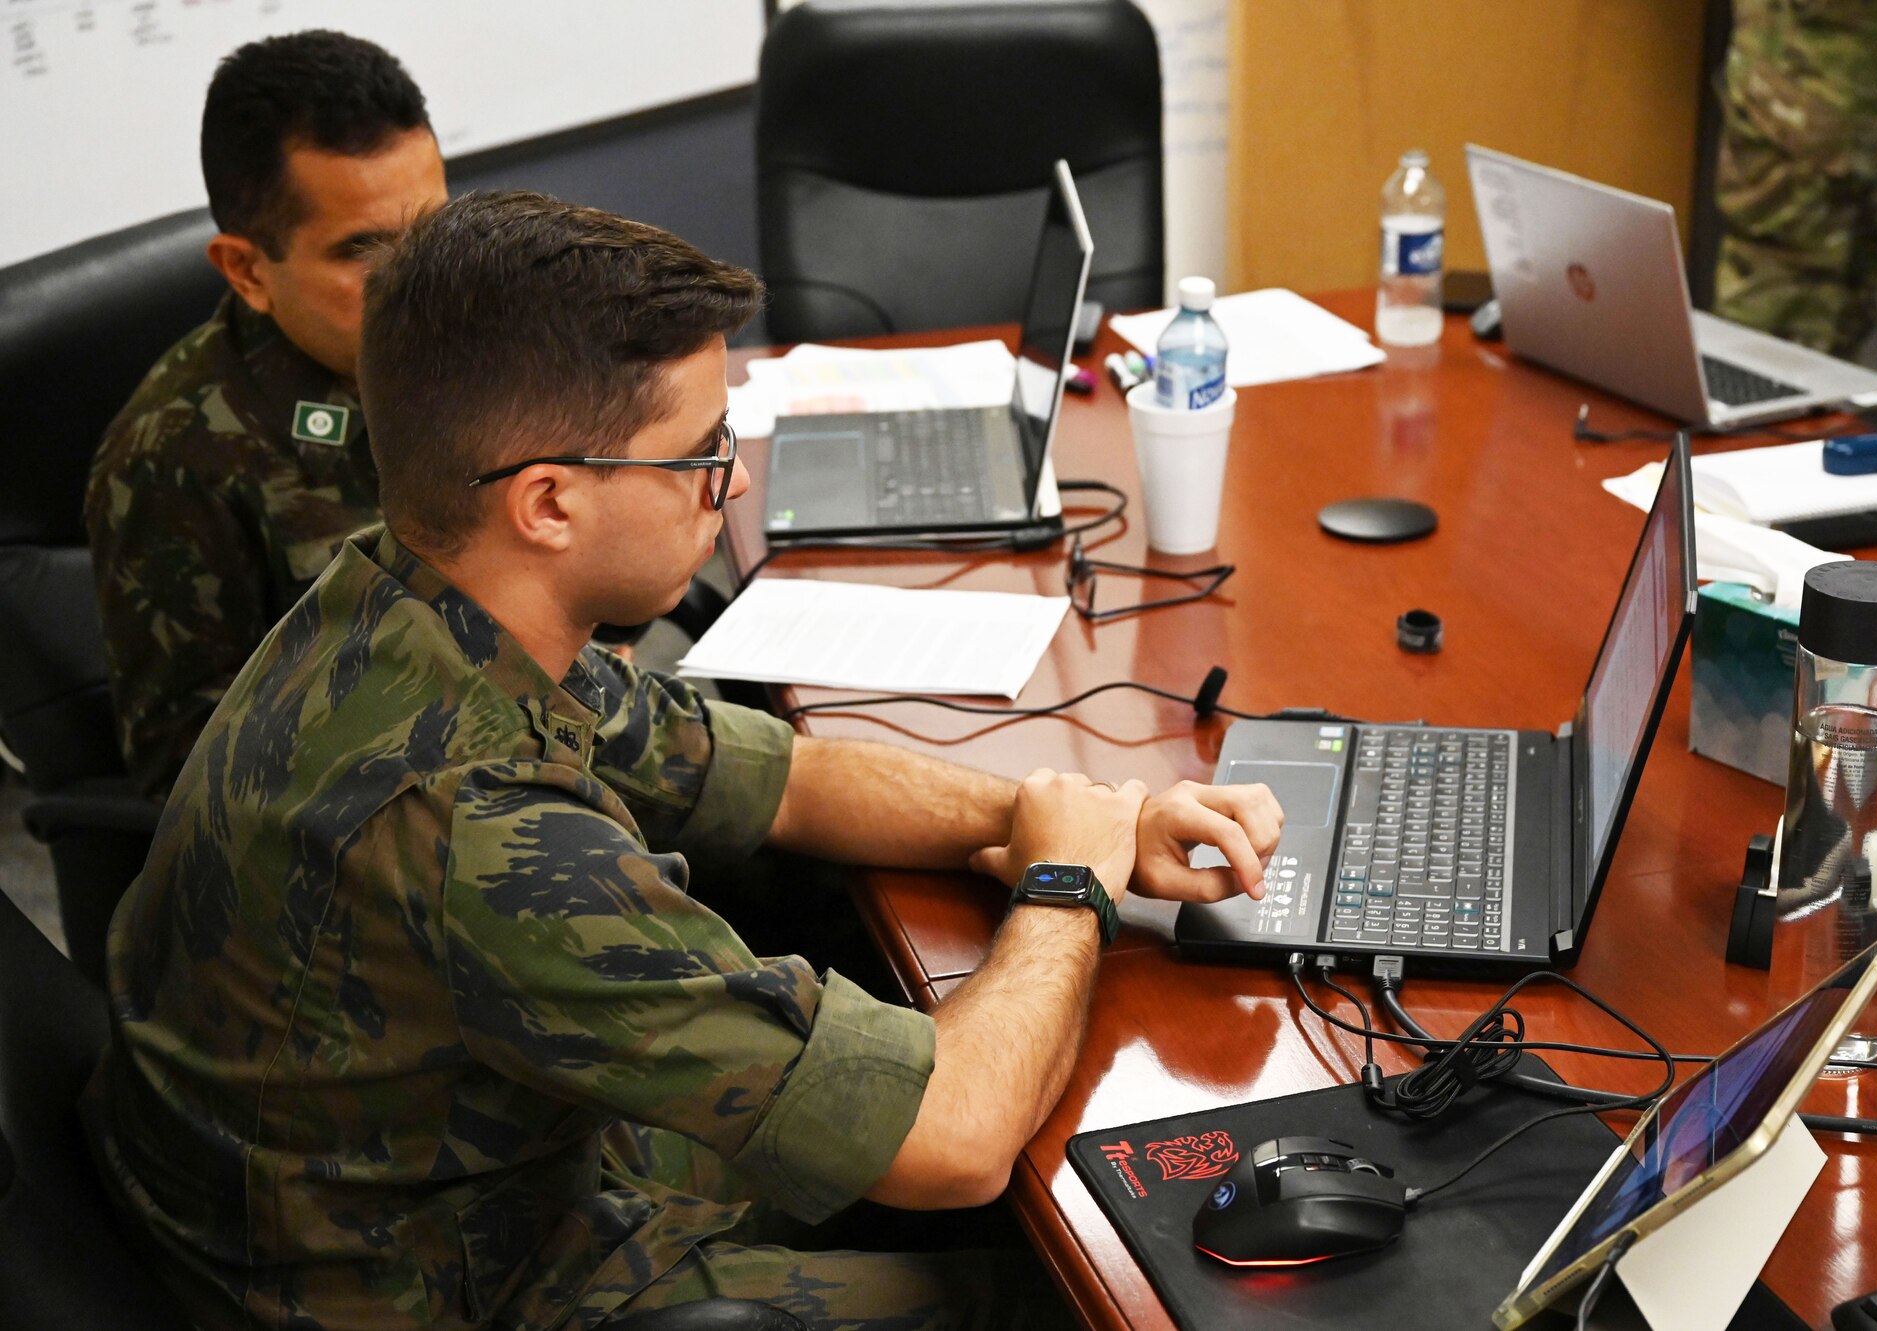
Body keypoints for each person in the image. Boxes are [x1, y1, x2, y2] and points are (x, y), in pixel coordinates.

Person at [84, 190, 1284, 1331]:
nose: (739, 481)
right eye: (703, 455)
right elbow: (954, 1136)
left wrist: (1061, 813)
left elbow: (776, 774)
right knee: (1089, 1297)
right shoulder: (476, 827)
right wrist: (1065, 887)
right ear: (548, 502)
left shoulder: (411, 594)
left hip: (440, 1159)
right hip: (442, 1279)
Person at [85, 30, 446, 798]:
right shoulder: (175, 458)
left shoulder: (470, 335)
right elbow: (187, 772)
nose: (420, 280)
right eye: (365, 250)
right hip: (385, 831)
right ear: (248, 269)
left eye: (433, 228)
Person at [1712, 0, 1877, 359]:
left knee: (1875, 257)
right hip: (1816, 34)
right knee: (1780, 277)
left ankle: (1821, 408)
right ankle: (1756, 410)